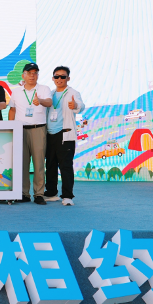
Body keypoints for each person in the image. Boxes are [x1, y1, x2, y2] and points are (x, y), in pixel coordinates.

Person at [8, 62, 53, 204]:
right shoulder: (16, 91)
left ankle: (39, 194)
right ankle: (24, 193)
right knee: (22, 163)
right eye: (29, 73)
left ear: (37, 75)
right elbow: (12, 110)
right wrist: (10, 128)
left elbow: (49, 102)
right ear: (23, 75)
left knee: (39, 163)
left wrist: (40, 100)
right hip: (20, 130)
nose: (32, 75)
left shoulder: (44, 89)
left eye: (35, 73)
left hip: (38, 129)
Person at [43, 66, 85, 206]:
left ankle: (67, 196)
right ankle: (51, 193)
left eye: (63, 76)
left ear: (68, 78)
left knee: (65, 166)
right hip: (50, 134)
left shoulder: (73, 93)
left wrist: (75, 105)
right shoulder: (50, 93)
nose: (59, 79)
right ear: (53, 78)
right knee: (50, 165)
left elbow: (81, 106)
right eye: (56, 76)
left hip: (64, 134)